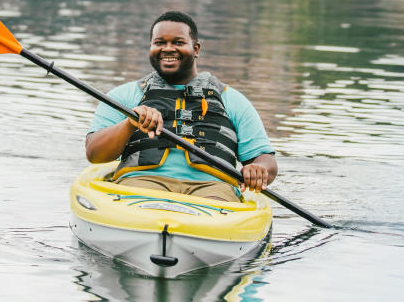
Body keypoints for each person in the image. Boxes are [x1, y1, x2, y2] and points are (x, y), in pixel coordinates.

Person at [85, 10, 277, 202]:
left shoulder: (232, 100)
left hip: (213, 188)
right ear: (150, 47)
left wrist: (259, 169)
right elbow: (94, 153)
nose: (168, 49)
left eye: (178, 42)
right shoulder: (123, 95)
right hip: (141, 182)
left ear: (196, 49)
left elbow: (267, 162)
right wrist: (129, 124)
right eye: (159, 42)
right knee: (140, 198)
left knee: (216, 203)